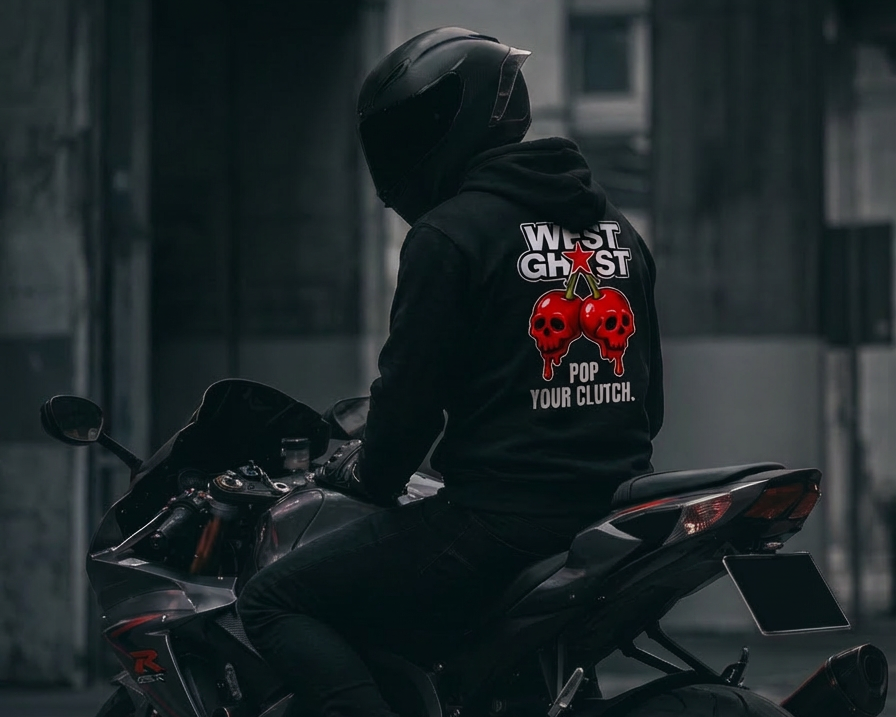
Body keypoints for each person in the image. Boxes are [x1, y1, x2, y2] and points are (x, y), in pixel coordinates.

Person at [237, 26, 663, 717]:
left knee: (272, 600)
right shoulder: (614, 229)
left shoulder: (450, 235)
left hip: (496, 524)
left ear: (447, 125)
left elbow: (408, 406)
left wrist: (361, 474)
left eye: (406, 132)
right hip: (608, 510)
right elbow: (649, 399)